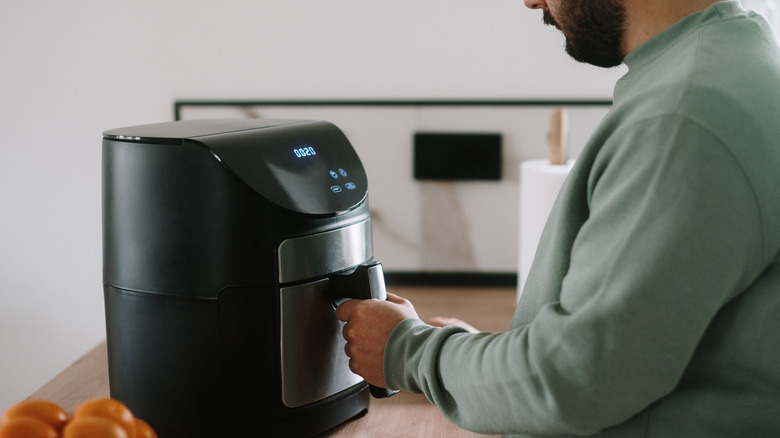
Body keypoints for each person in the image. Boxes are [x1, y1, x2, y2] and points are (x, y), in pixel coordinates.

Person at [335, 0, 780, 436]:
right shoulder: (729, 63)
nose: (531, 2)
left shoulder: (681, 116)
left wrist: (409, 353)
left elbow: (576, 381)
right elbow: (638, 343)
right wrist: (482, 360)